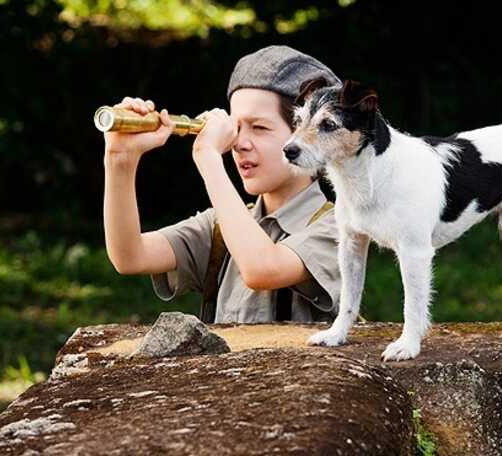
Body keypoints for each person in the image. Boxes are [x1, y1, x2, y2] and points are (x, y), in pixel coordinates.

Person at [103, 45, 344, 323]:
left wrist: (207, 157)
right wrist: (119, 159)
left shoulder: (339, 227)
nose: (239, 144)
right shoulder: (221, 227)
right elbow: (129, 256)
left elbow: (261, 269)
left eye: (260, 128)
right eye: (236, 128)